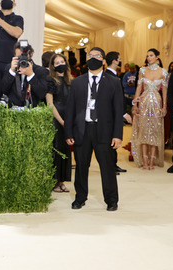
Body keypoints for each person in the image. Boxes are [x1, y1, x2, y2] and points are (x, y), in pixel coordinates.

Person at [65, 47, 124, 211]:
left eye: (97, 56)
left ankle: (112, 200)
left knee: (107, 167)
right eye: (90, 55)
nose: (92, 58)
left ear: (103, 61)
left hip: (104, 131)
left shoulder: (113, 82)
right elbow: (70, 109)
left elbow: (118, 110)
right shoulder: (77, 82)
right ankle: (80, 198)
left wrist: (117, 135)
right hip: (82, 130)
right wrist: (68, 132)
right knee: (81, 167)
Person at [131, 48, 168, 170]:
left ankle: (152, 161)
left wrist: (164, 107)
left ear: (157, 57)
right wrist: (135, 104)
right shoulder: (142, 70)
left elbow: (164, 92)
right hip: (143, 102)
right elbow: (138, 88)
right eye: (147, 56)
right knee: (143, 131)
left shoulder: (163, 72)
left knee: (155, 132)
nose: (148, 58)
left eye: (151, 55)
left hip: (157, 103)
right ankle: (144, 161)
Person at [46, 53, 72, 193]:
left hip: (68, 118)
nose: (60, 64)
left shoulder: (70, 81)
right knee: (56, 149)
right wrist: (61, 121)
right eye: (57, 62)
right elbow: (50, 104)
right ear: (53, 66)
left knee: (66, 149)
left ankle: (62, 181)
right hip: (56, 119)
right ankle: (55, 181)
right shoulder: (50, 80)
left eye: (62, 61)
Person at [105, 50, 131, 173]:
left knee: (113, 140)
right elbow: (114, 98)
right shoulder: (110, 76)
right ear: (114, 61)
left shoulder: (114, 75)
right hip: (112, 114)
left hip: (115, 113)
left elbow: (120, 96)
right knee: (112, 140)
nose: (120, 60)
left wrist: (132, 101)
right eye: (119, 58)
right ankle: (110, 166)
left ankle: (113, 165)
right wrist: (124, 113)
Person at [2, 41, 46, 107]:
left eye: (24, 56)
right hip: (13, 110)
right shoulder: (9, 68)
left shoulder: (40, 71)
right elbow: (4, 90)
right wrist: (11, 72)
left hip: (32, 112)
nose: (22, 60)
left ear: (31, 56)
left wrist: (31, 75)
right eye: (19, 57)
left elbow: (42, 95)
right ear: (14, 57)